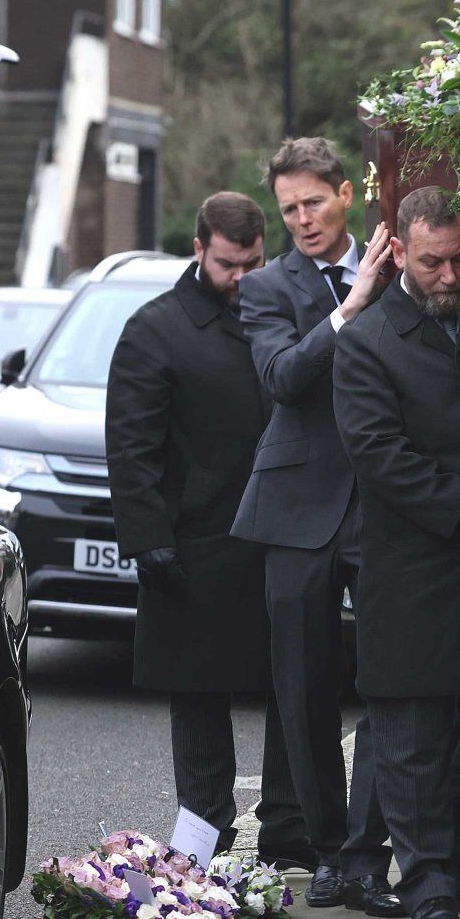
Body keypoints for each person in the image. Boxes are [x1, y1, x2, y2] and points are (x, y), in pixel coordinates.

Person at [335, 186, 460, 919]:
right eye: (434, 262)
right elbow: (378, 452)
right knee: (409, 743)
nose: (449, 276)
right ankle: (430, 886)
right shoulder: (367, 340)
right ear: (399, 251)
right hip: (409, 566)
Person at [107, 193, 305, 864]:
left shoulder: (277, 311)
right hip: (193, 543)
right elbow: (131, 445)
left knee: (292, 688)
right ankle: (203, 840)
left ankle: (288, 833)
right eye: (227, 265)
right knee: (198, 701)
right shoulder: (155, 329)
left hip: (275, 535)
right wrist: (147, 537)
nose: (242, 278)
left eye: (252, 262)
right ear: (199, 250)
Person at [230, 137, 400, 916]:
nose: (301, 219)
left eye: (314, 202)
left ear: (347, 196)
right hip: (296, 506)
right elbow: (282, 379)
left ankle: (370, 851)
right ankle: (329, 851)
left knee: (392, 682)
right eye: (288, 207)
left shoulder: (404, 261)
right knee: (302, 691)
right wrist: (351, 303)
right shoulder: (266, 287)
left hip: (385, 501)